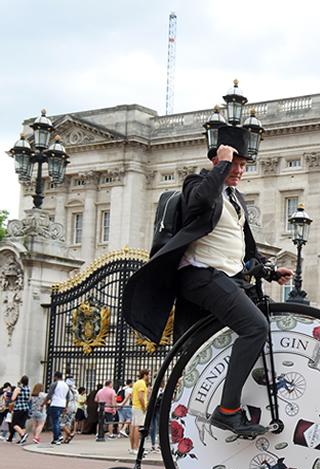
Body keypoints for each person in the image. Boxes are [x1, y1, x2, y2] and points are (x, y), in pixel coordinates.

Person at [123, 126, 292, 438]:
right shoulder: (198, 183)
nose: (240, 170)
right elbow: (200, 202)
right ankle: (228, 411)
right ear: (219, 159)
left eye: (243, 165)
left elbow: (236, 254)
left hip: (223, 277)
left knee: (212, 345)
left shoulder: (234, 197)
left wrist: (268, 271)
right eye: (235, 162)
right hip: (200, 276)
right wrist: (221, 165)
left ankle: (193, 409)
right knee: (254, 327)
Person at [44, 371, 70, 445]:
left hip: (55, 404)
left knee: (55, 421)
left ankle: (56, 438)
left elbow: (49, 395)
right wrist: (66, 406)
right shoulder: (66, 385)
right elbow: (68, 397)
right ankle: (59, 435)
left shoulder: (55, 384)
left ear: (56, 376)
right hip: (62, 404)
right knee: (57, 421)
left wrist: (43, 403)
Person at [130, 369, 150, 455]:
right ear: (145, 375)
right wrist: (144, 407)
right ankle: (137, 448)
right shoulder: (142, 383)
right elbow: (141, 397)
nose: (149, 377)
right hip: (139, 407)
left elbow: (132, 395)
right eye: (148, 375)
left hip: (135, 406)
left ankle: (132, 447)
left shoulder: (136, 383)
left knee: (133, 427)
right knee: (138, 427)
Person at [7, 376, 31, 444]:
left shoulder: (18, 389)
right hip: (26, 408)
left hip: (18, 408)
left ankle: (23, 435)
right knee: (22, 424)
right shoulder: (28, 388)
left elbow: (13, 398)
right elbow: (29, 399)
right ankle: (22, 439)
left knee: (14, 424)